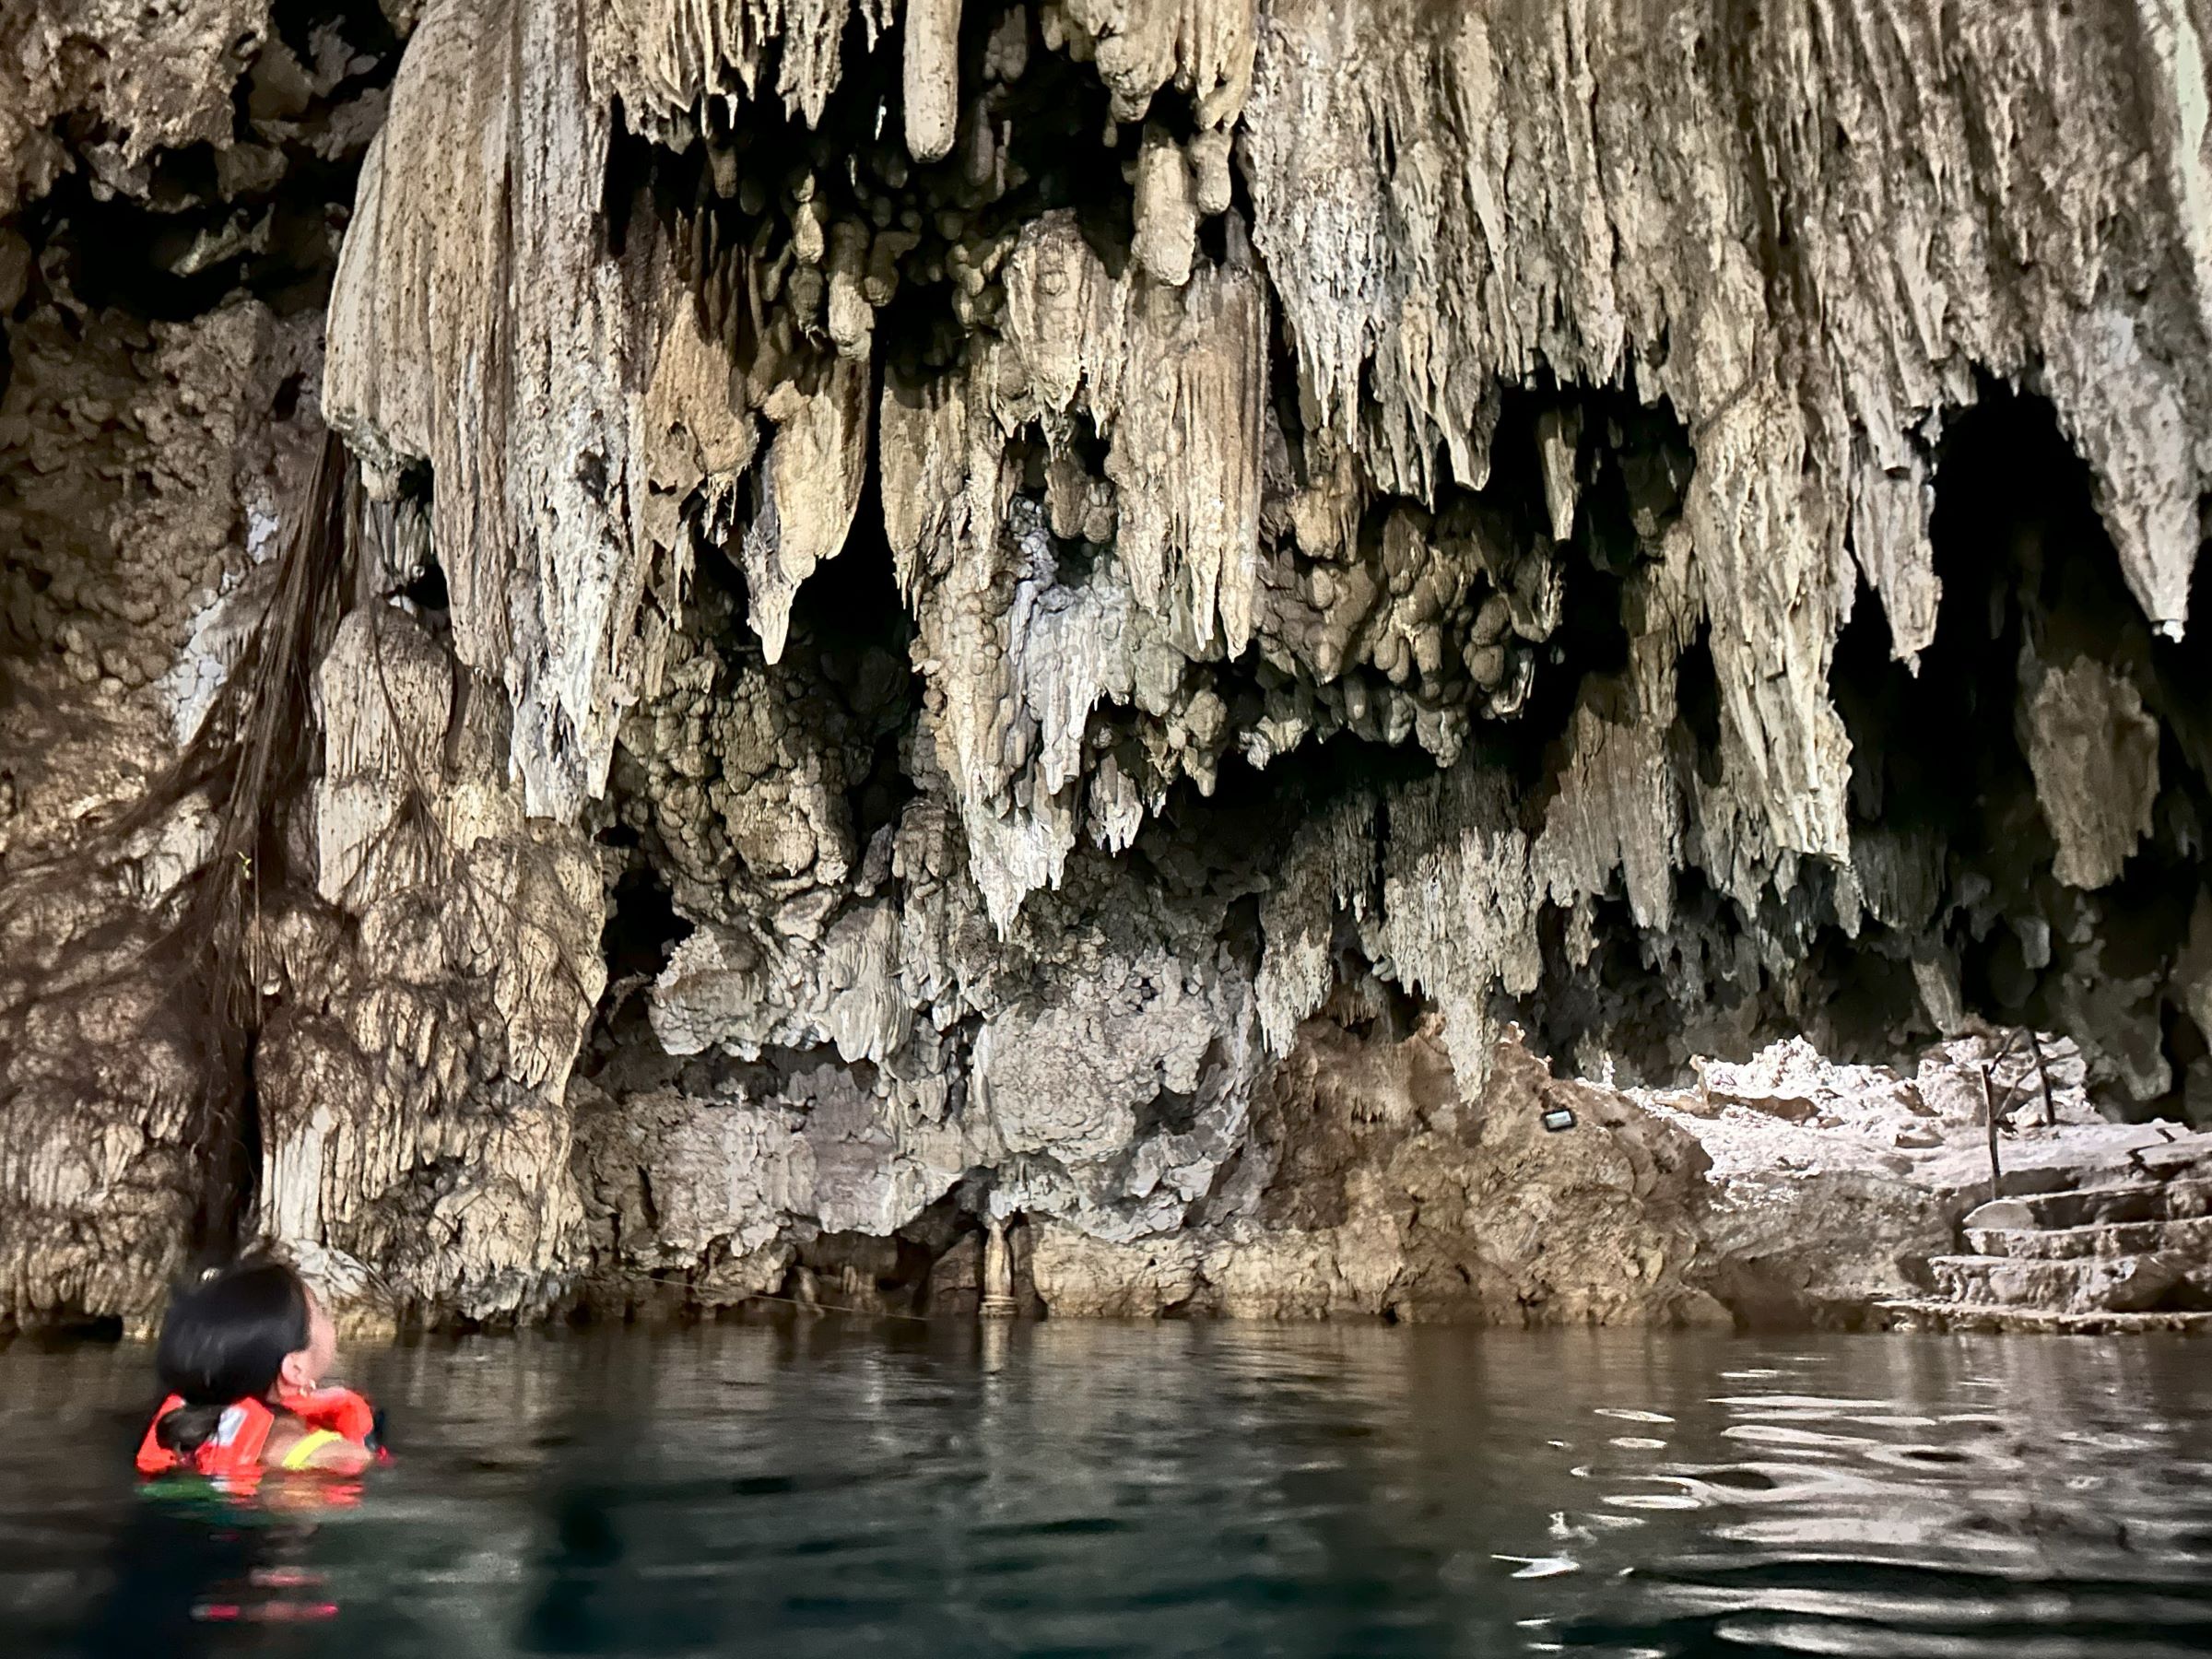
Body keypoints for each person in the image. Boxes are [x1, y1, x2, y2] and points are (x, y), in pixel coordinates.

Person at [135, 1254, 382, 1484]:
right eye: (321, 1311)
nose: (330, 1317)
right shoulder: (339, 1457)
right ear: (296, 1369)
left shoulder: (185, 1437)